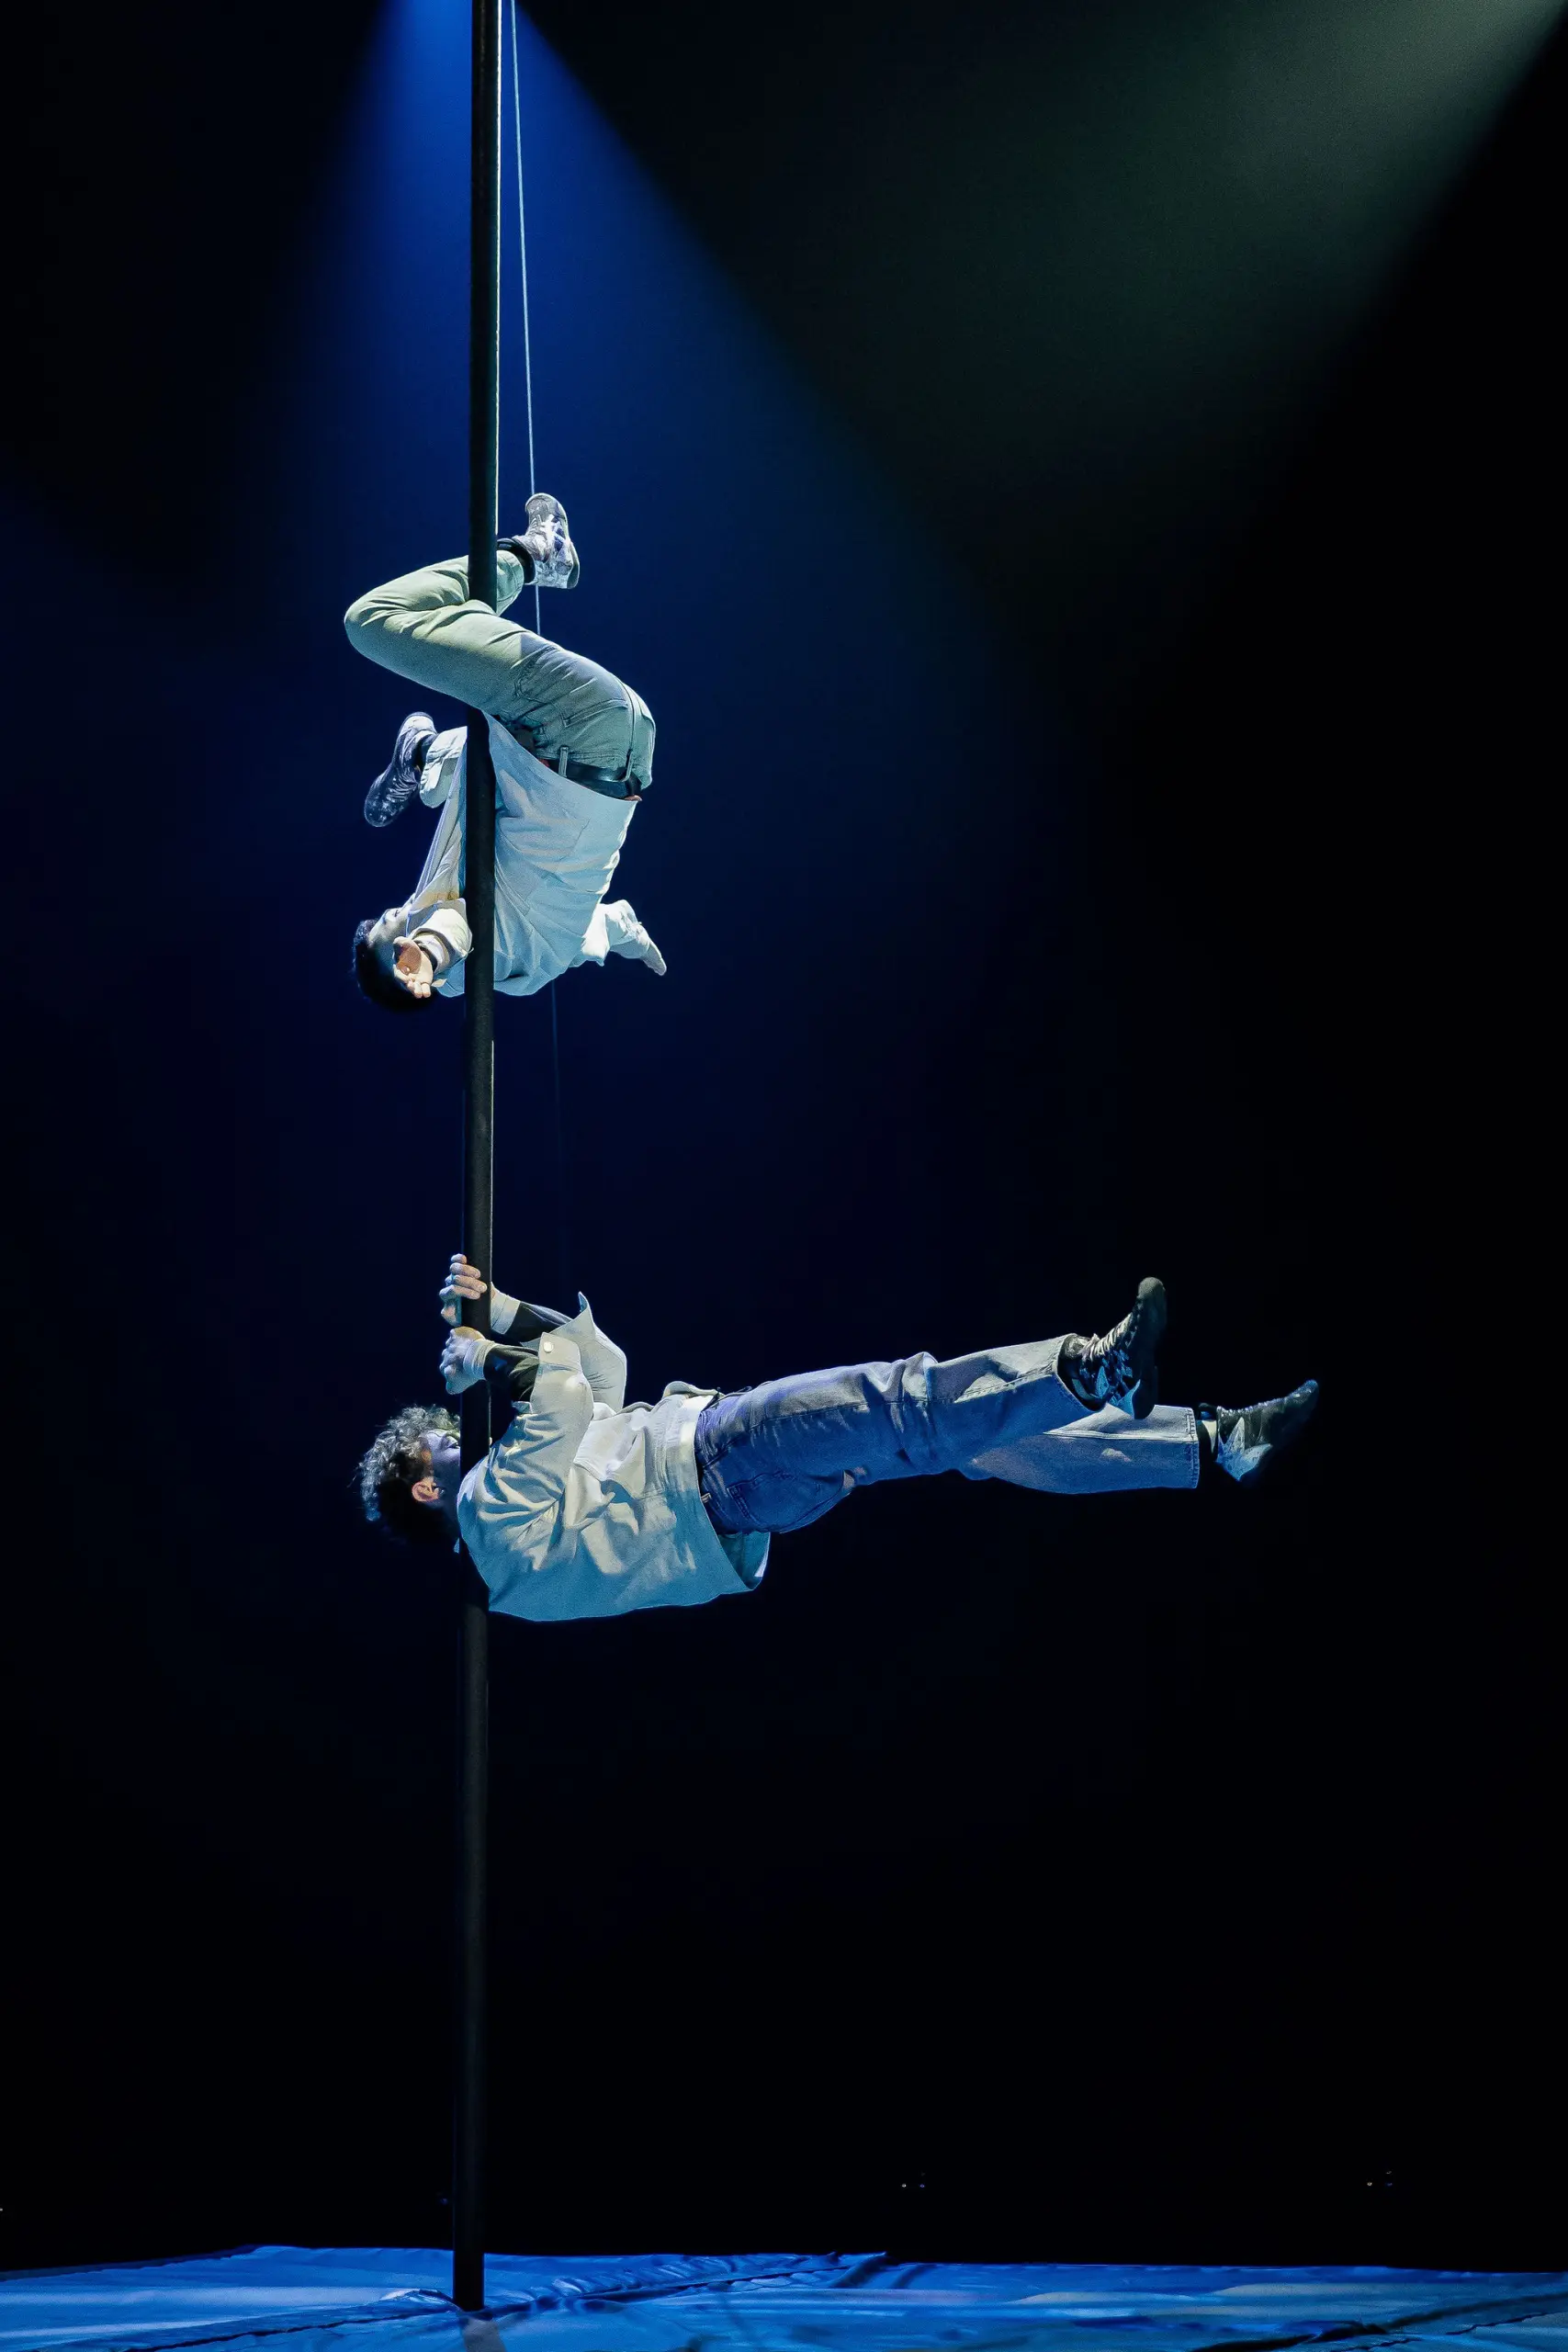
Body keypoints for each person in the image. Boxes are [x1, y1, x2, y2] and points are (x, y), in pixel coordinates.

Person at [356, 1259, 1318, 1623]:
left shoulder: (516, 1539)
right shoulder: (488, 1515)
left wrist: (503, 1311)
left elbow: (597, 1365)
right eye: (442, 1443)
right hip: (718, 1461)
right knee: (906, 1402)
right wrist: (487, 1361)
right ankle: (1086, 1369)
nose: (460, 1440)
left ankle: (1211, 1443)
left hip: (734, 1493)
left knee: (966, 1440)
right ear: (428, 1490)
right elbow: (562, 1393)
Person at [344, 492, 666, 1012]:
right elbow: (449, 931)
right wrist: (425, 954)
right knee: (373, 620)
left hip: (618, 748)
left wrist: (631, 937)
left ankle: (423, 758)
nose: (408, 916)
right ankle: (533, 555)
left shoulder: (528, 963)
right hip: (570, 724)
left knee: (480, 745)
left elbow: (601, 927)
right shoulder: (461, 944)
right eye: (399, 926)